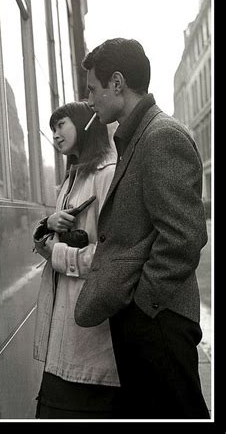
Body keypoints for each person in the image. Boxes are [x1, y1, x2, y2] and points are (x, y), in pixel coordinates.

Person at [75, 38, 209, 419]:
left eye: (92, 89)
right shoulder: (137, 137)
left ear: (117, 83)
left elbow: (184, 236)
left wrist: (142, 304)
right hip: (151, 320)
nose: (90, 100)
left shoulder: (160, 136)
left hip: (158, 320)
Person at [32, 101, 120, 419]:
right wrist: (48, 226)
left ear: (85, 125)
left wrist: (58, 253)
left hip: (89, 333)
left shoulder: (106, 175)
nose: (55, 134)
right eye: (53, 128)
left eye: (61, 125)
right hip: (65, 331)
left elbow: (113, 258)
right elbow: (53, 246)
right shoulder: (72, 180)